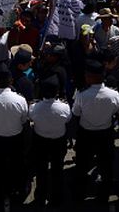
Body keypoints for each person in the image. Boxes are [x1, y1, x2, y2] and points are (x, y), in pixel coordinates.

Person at [72, 59, 119, 203]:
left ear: (92, 76)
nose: (85, 76)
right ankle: (104, 195)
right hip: (105, 134)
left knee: (82, 165)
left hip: (86, 134)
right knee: (106, 166)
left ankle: (80, 193)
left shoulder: (82, 94)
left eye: (87, 74)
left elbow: (76, 113)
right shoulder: (113, 94)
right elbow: (116, 110)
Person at [0, 64, 29, 205]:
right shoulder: (20, 100)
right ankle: (19, 188)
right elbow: (24, 120)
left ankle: (0, 191)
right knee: (17, 164)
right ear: (11, 82)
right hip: (16, 138)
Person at [29, 76, 71, 206]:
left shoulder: (34, 107)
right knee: (57, 169)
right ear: (57, 92)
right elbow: (68, 120)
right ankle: (57, 196)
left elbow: (30, 118)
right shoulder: (64, 107)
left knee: (41, 170)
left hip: (40, 142)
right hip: (58, 142)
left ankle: (40, 195)